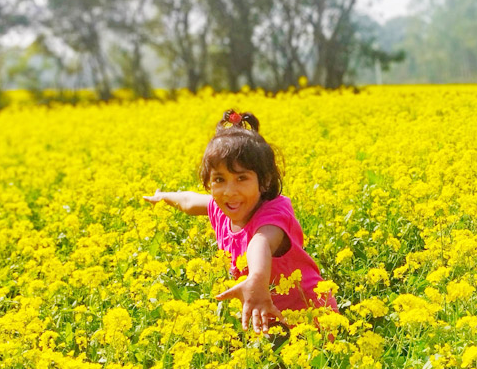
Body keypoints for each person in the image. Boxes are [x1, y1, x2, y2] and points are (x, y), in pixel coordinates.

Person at [143, 110, 338, 334]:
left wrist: (256, 279)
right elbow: (189, 201)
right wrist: (163, 197)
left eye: (241, 178)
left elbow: (261, 242)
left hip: (312, 320)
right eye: (219, 179)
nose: (229, 191)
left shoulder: (274, 212)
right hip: (263, 316)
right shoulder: (220, 209)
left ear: (264, 181)